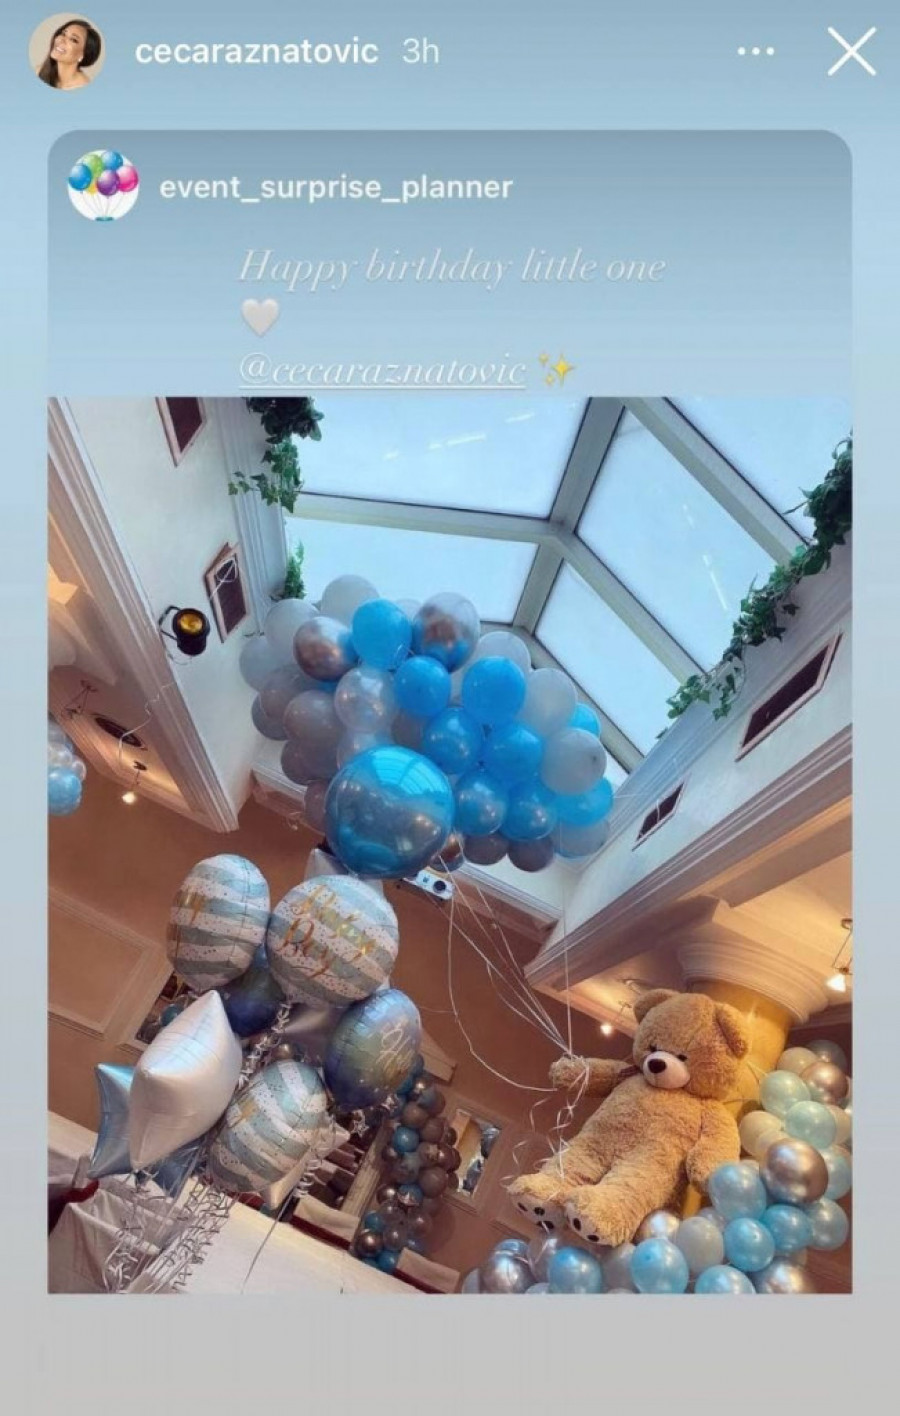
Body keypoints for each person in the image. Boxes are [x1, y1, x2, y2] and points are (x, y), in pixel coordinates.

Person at [37, 18, 102, 90]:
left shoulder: (82, 87)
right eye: (63, 34)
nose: (62, 39)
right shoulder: (39, 71)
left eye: (73, 40)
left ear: (83, 55)